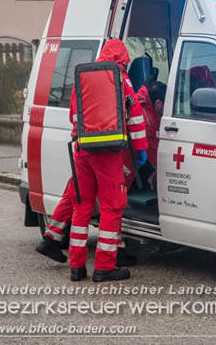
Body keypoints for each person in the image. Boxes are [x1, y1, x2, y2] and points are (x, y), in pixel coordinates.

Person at [36, 39, 147, 283]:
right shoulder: (119, 77)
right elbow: (136, 115)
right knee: (111, 207)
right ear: (122, 59)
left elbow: (73, 115)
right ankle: (105, 267)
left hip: (82, 150)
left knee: (82, 206)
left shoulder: (83, 76)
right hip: (108, 154)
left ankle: (76, 267)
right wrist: (140, 149)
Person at [124, 81, 167, 189]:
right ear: (158, 103)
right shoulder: (147, 118)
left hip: (135, 162)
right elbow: (152, 150)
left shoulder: (149, 109)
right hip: (129, 169)